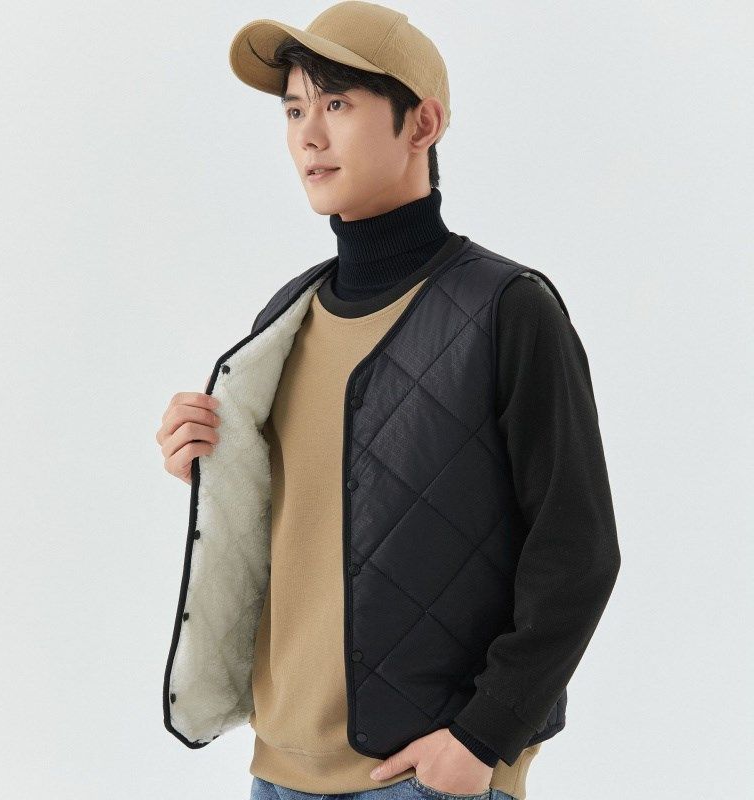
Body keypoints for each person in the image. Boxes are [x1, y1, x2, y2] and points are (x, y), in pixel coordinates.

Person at [156, 3, 621, 799]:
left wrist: (482, 738)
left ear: (422, 124)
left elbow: (577, 552)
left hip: (424, 774)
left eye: (337, 103)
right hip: (278, 767)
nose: (309, 135)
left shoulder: (506, 308)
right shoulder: (285, 319)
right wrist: (207, 462)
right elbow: (307, 518)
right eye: (294, 110)